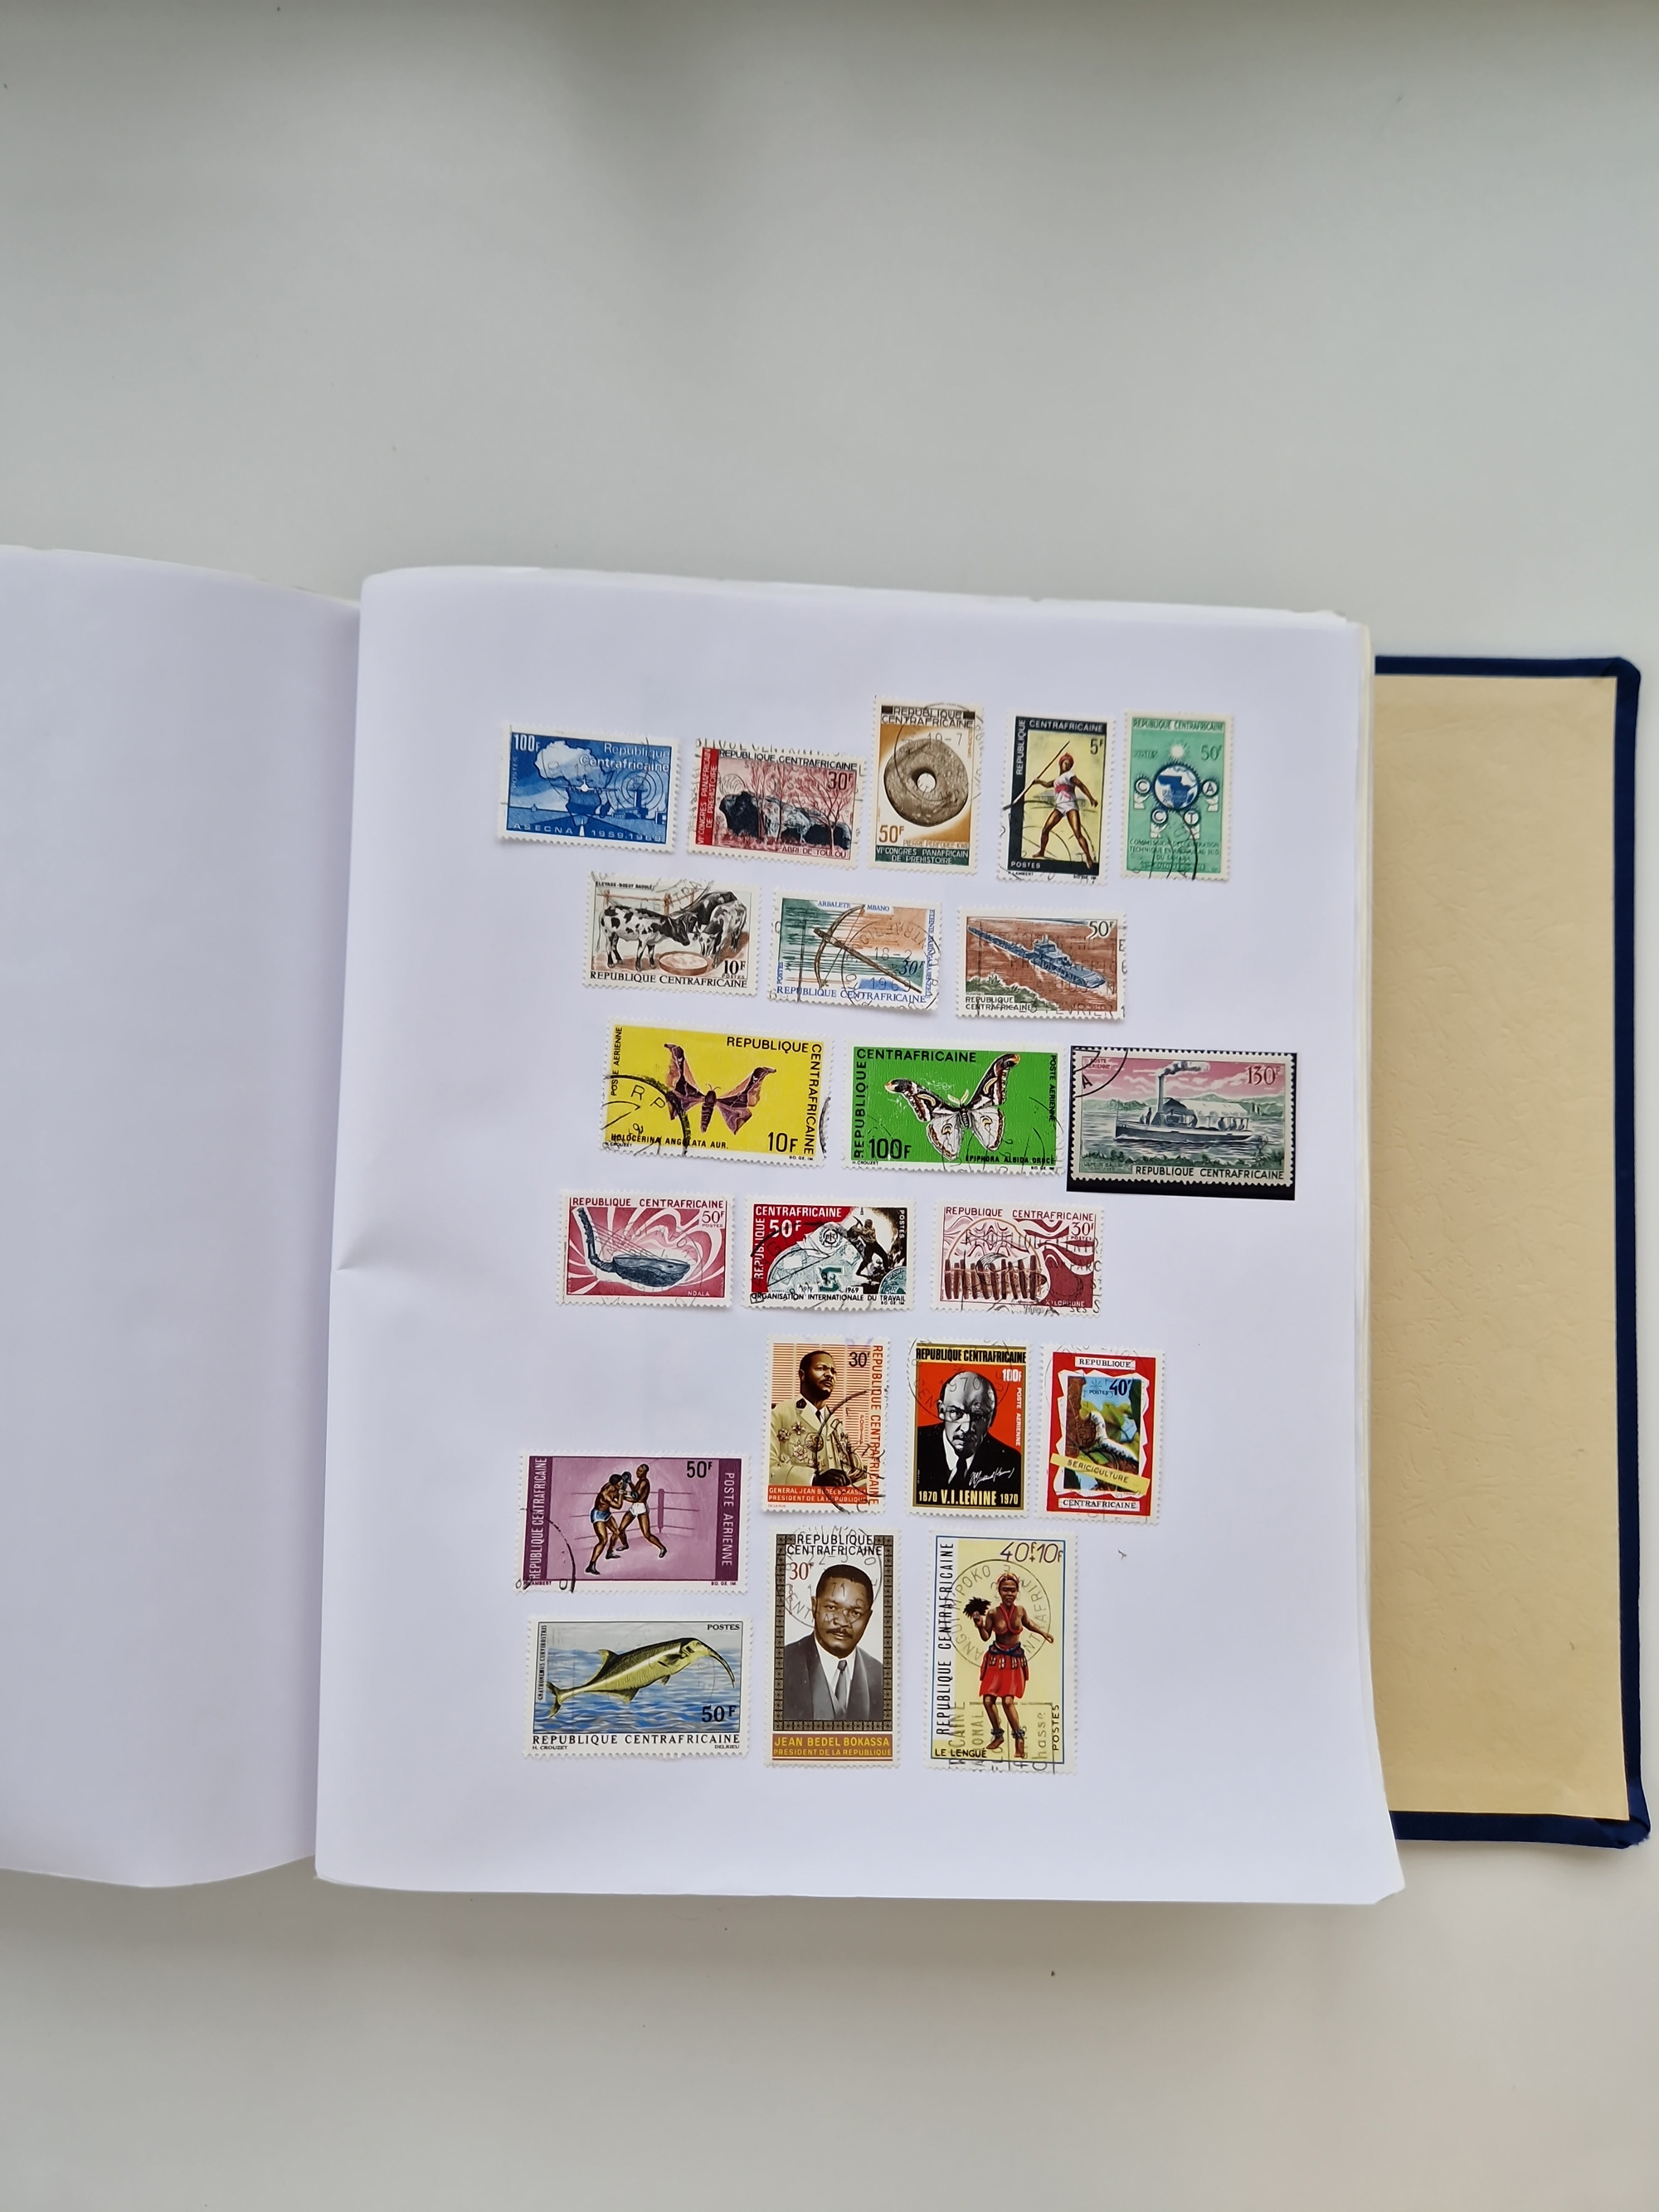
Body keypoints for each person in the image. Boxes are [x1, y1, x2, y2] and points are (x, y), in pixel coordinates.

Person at [779, 1563, 884, 1724]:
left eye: (855, 1612)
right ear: (814, 1607)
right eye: (831, 1607)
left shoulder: (881, 1677)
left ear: (868, 1618)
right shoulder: (781, 1665)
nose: (842, 1621)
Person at [965, 1572, 1054, 1758]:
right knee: (988, 1701)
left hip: (1013, 1661)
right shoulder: (993, 1613)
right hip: (996, 1660)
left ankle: (1019, 1740)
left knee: (1007, 1701)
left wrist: (1043, 1633)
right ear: (999, 1591)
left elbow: (1028, 1624)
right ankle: (998, 1735)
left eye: (1012, 1590)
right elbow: (985, 1637)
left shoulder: (1020, 1610)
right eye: (1005, 1590)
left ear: (1017, 1592)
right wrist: (980, 1626)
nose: (1009, 1594)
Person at [913, 1369, 1021, 1498]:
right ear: (941, 1411)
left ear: (992, 1418)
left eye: (978, 1416)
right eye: (956, 1413)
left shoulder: (1012, 1464)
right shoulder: (914, 1444)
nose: (967, 1428)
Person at [768, 1348, 867, 1489]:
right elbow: (767, 1467)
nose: (829, 1375)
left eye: (833, 1371)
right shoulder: (779, 1414)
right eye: (821, 1368)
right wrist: (813, 1479)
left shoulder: (836, 1425)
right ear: (802, 1375)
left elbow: (857, 1470)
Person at [586, 1463, 665, 1573]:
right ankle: (592, 1565)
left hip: (640, 1507)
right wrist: (624, 1491)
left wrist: (625, 1491)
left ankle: (662, 1548)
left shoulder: (643, 1482)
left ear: (645, 1473)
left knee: (643, 1534)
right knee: (609, 1537)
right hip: (599, 1514)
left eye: (640, 1471)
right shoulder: (606, 1493)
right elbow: (619, 1504)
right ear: (615, 1484)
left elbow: (635, 1497)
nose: (637, 1472)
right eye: (620, 1484)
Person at [1027, 751, 1097, 868]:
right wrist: (1038, 782)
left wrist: (1091, 798)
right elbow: (1047, 784)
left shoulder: (1070, 775)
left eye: (1069, 764)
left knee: (1078, 833)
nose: (1067, 766)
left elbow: (1081, 785)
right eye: (1066, 763)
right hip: (1059, 807)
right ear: (1061, 764)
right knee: (1045, 830)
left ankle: (1089, 858)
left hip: (1070, 806)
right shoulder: (1057, 780)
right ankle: (1042, 852)